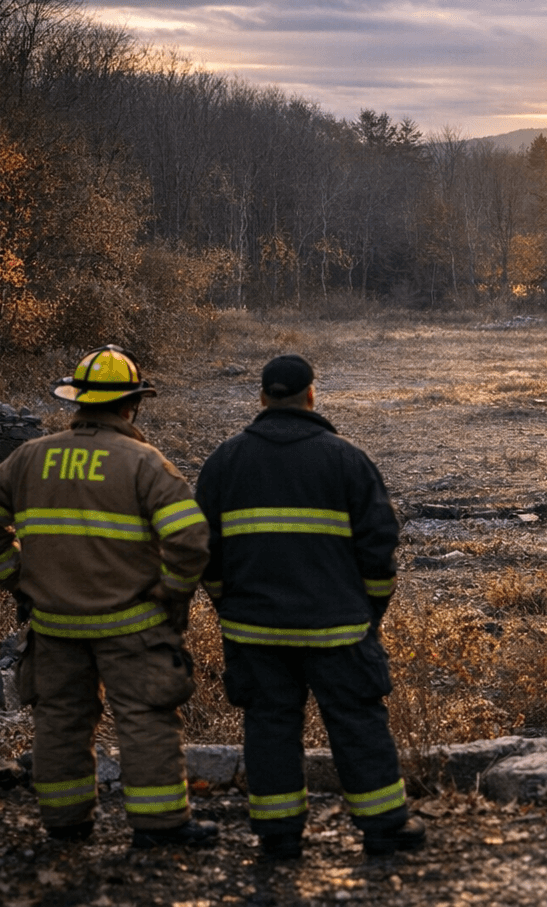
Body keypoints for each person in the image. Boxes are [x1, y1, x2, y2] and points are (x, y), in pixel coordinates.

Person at [0, 345, 217, 849]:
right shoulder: (147, 464)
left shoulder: (29, 457)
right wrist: (170, 593)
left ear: (77, 402)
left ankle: (65, 824)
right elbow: (190, 540)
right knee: (144, 717)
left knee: (58, 721)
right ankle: (160, 825)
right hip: (132, 626)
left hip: (55, 625)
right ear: (131, 406)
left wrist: (19, 579)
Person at [195, 353, 424, 861]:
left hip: (253, 631)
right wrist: (369, 613)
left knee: (269, 725)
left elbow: (202, 550)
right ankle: (384, 828)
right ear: (311, 394)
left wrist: (225, 604)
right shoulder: (347, 460)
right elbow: (380, 548)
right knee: (358, 722)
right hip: (338, 631)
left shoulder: (224, 461)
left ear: (262, 397)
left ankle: (278, 837)